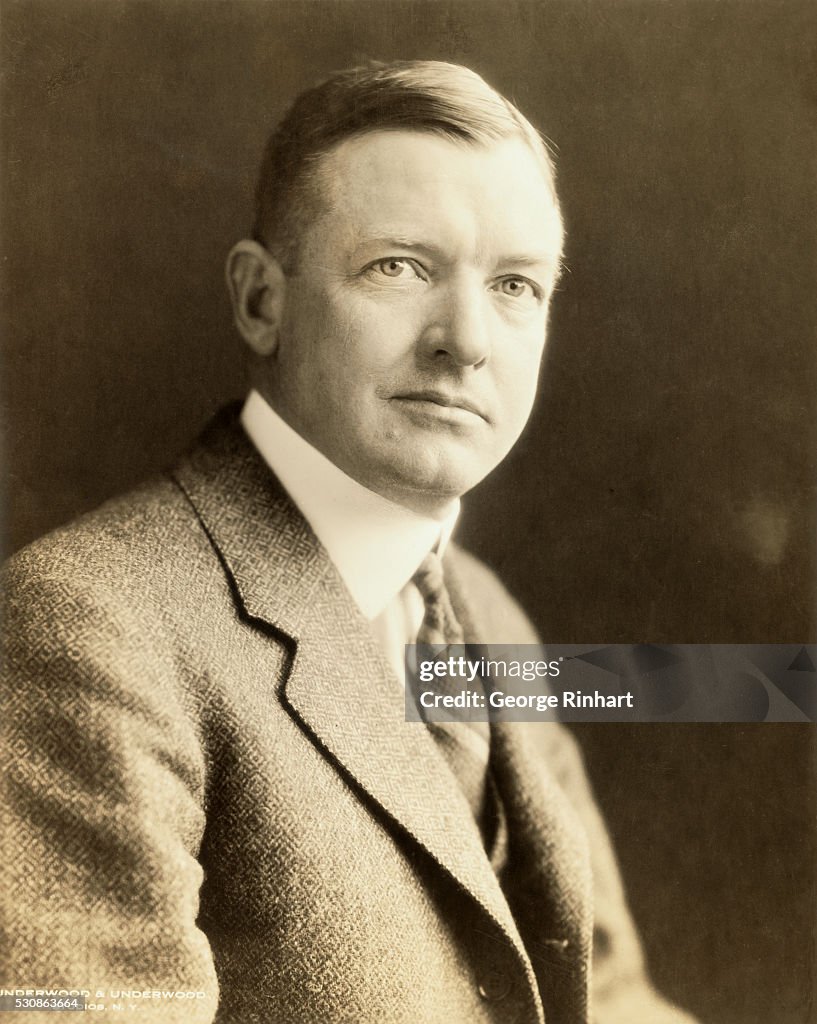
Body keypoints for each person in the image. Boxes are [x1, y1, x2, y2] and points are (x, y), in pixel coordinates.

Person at [1, 61, 698, 1023]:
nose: (467, 339)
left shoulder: (485, 614)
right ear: (260, 301)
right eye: (399, 267)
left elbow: (613, 999)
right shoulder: (90, 629)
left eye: (514, 285)